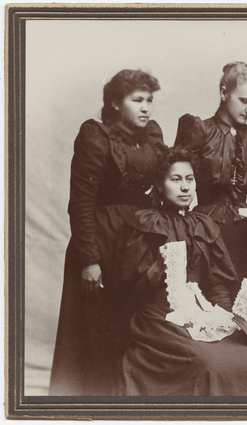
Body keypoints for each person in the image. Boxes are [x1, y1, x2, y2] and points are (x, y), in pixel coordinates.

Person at [49, 69, 166, 395]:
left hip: (136, 247)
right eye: (137, 100)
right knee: (96, 334)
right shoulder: (95, 135)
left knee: (131, 330)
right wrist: (89, 259)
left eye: (149, 100)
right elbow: (81, 203)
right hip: (100, 245)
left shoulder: (153, 135)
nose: (146, 108)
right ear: (115, 102)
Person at [114, 147, 247, 396]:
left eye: (189, 178)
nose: (185, 187)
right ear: (160, 185)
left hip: (198, 312)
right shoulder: (145, 222)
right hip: (157, 317)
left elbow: (217, 283)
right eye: (176, 179)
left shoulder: (203, 223)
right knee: (210, 363)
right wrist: (158, 267)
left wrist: (226, 317)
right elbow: (129, 292)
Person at [174, 62, 247, 288]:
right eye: (245, 101)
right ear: (223, 92)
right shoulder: (201, 131)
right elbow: (175, 184)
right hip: (208, 231)